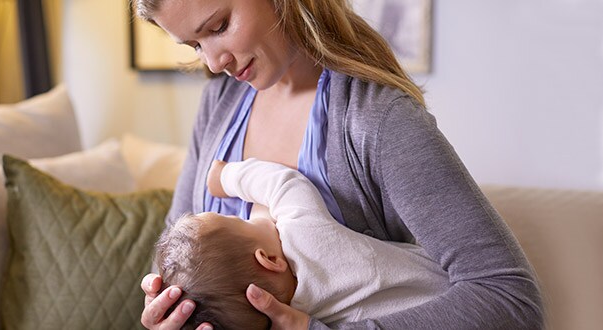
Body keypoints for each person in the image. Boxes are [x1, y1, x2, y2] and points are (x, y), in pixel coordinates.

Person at [133, 0, 544, 329]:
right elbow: (177, 250)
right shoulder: (220, 103)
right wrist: (172, 313)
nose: (213, 62)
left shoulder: (378, 121)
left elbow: (509, 297)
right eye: (194, 45)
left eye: (219, 26)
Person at [155, 159, 450, 329]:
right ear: (270, 260)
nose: (253, 213)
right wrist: (224, 177)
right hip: (454, 290)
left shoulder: (302, 319)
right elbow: (285, 184)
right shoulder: (305, 236)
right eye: (243, 221)